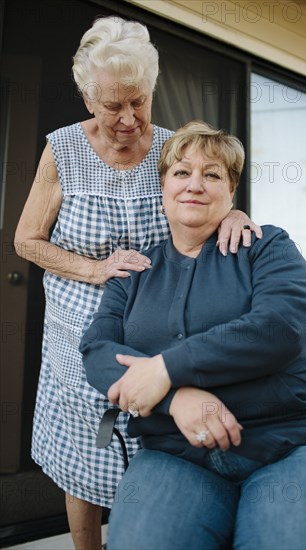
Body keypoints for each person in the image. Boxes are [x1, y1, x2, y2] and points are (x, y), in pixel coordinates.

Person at [14, 16, 260, 550]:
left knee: (158, 450)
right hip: (78, 338)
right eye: (112, 104)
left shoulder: (173, 149)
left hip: (159, 332)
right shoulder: (62, 150)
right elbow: (27, 240)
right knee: (84, 457)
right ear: (86, 97)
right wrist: (95, 269)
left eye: (139, 100)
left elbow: (204, 195)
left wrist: (235, 217)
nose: (129, 119)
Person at [81, 120, 306, 550]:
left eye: (211, 174)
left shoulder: (266, 246)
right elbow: (98, 351)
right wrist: (174, 397)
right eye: (181, 172)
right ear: (162, 189)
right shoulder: (134, 272)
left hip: (290, 446)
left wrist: (166, 368)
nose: (195, 184)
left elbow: (280, 324)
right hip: (176, 454)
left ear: (230, 192)